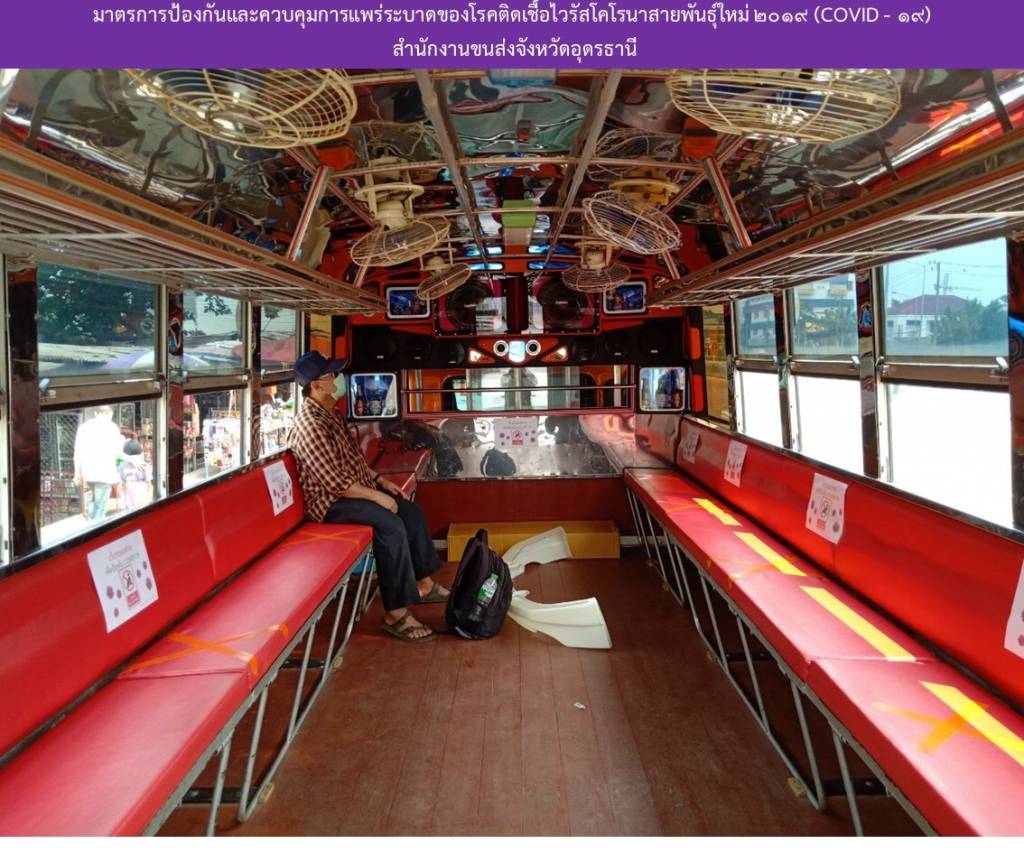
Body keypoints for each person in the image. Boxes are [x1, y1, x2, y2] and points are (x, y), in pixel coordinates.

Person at [287, 351, 448, 643]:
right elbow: (336, 483)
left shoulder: (331, 414)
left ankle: (423, 584)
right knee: (390, 525)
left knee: (409, 513)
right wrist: (376, 498)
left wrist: (380, 482)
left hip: (354, 491)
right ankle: (396, 613)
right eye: (332, 375)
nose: (338, 380)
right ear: (317, 385)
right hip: (330, 504)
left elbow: (355, 463)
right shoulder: (311, 424)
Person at [73, 405, 124, 521]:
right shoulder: (112, 428)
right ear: (110, 414)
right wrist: (119, 469)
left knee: (94, 500)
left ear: (96, 413)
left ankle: (91, 523)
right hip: (105, 472)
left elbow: (77, 452)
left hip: (88, 472)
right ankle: (97, 526)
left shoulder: (84, 427)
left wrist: (77, 473)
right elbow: (119, 453)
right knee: (100, 506)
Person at [118, 438, 152, 510]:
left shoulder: (122, 466)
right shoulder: (144, 465)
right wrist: (148, 488)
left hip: (128, 490)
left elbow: (121, 482)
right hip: (141, 489)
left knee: (129, 511)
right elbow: (148, 481)